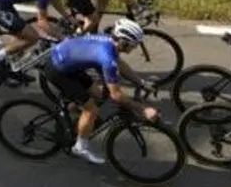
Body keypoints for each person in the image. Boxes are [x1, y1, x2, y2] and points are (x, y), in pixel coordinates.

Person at [38, 19, 159, 165]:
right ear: (123, 42)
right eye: (133, 44)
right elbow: (116, 95)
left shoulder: (110, 42)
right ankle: (80, 147)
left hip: (68, 63)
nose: (134, 48)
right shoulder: (107, 58)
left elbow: (120, 64)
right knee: (91, 109)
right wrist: (142, 109)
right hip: (58, 70)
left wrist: (141, 82)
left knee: (98, 95)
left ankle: (69, 114)